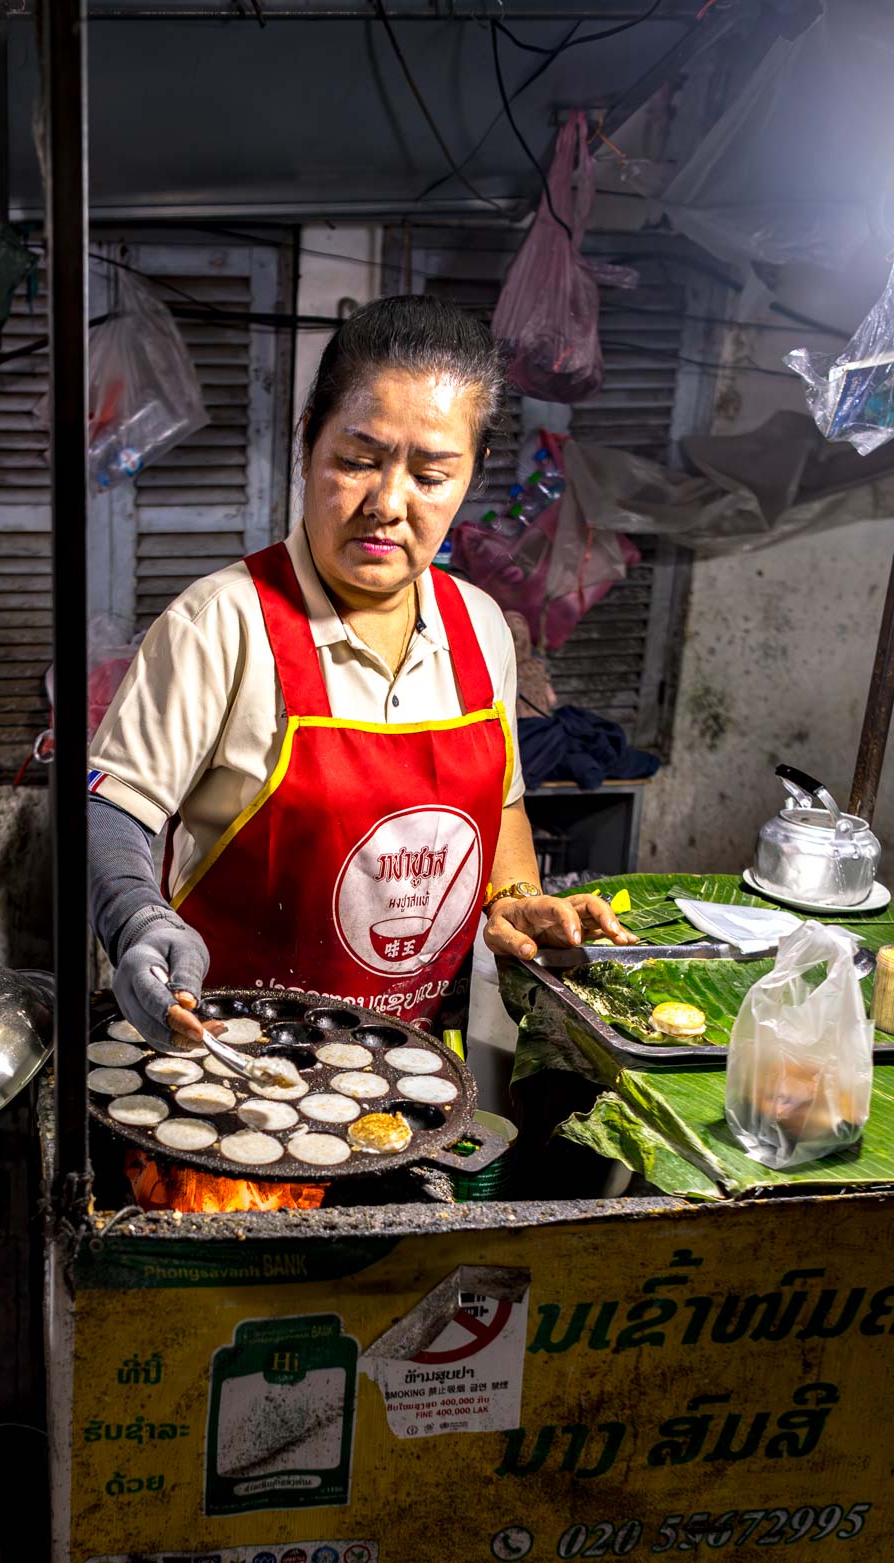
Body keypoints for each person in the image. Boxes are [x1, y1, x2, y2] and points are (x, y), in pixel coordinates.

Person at [87, 294, 636, 1042]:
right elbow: (113, 808)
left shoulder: (481, 629)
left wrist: (513, 896)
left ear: (469, 476)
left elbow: (500, 803)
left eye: (432, 475)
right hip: (229, 1061)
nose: (388, 503)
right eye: (357, 460)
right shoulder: (221, 623)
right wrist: (136, 918)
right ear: (308, 442)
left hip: (408, 1062)